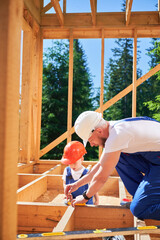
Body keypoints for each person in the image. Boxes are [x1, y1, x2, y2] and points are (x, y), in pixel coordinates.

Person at [65, 111, 160, 220]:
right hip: (155, 160)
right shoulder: (114, 130)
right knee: (119, 157)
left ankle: (144, 203)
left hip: (156, 162)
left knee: (138, 210)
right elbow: (101, 165)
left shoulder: (117, 135)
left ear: (99, 131)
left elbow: (101, 177)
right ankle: (144, 198)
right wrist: (77, 184)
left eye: (91, 140)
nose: (91, 145)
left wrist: (85, 197)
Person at [61, 140, 99, 205]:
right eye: (70, 163)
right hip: (72, 201)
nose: (72, 165)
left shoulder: (87, 173)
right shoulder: (67, 171)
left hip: (86, 202)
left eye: (74, 163)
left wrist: (97, 200)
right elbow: (64, 183)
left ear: (82, 159)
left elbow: (94, 187)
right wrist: (67, 193)